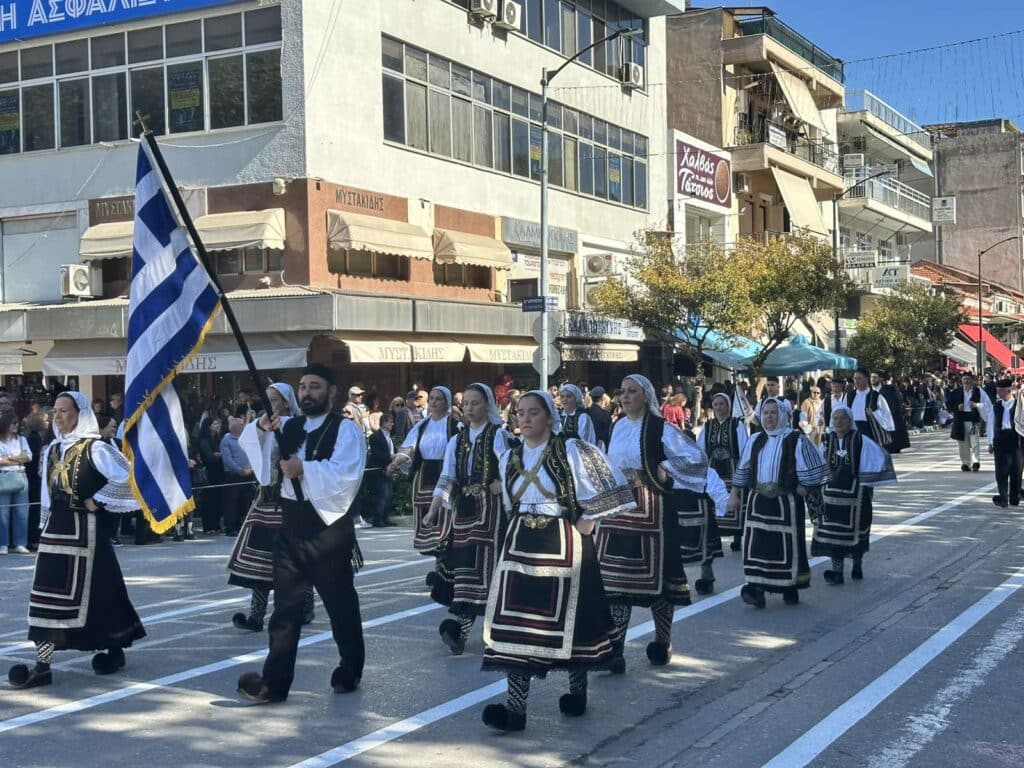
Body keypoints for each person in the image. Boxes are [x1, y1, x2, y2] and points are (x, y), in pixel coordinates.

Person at [481, 390, 635, 733]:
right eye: (520, 413)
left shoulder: (570, 449)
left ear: (549, 416)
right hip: (520, 544)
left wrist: (590, 518)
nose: (525, 419)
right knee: (516, 625)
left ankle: (576, 692)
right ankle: (515, 709)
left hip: (563, 541)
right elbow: (509, 506)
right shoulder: (509, 457)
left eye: (533, 413)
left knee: (572, 621)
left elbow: (611, 487)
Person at [236, 364, 367, 704]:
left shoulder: (346, 430)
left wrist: (304, 469)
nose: (308, 392)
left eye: (315, 386)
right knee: (285, 609)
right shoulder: (289, 426)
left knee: (340, 605)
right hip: (290, 524)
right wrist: (263, 431)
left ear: (331, 392)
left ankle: (349, 669)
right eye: (304, 386)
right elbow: (262, 464)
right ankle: (274, 683)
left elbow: (347, 474)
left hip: (327, 527)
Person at [8, 392, 143, 689]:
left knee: (102, 595)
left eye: (64, 411)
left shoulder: (96, 449)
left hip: (88, 534)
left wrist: (99, 499)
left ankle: (114, 649)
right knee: (45, 597)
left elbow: (129, 481)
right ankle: (42, 665)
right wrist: (44, 526)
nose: (57, 416)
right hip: (56, 532)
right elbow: (47, 493)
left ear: (79, 414)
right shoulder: (53, 448)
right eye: (55, 411)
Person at [600, 374, 712, 672]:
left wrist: (666, 471)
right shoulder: (617, 426)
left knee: (661, 582)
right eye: (622, 392)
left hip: (653, 511)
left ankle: (662, 641)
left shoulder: (660, 427)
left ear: (646, 396)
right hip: (619, 510)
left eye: (632, 391)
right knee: (615, 582)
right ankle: (616, 649)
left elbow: (694, 458)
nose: (625, 397)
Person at [426, 383, 512, 655]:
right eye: (467, 403)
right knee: (465, 570)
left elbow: (513, 467)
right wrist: (434, 508)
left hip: (491, 511)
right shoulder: (457, 440)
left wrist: (501, 482)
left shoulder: (498, 435)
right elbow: (448, 477)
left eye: (475, 403)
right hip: (464, 511)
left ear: (488, 405)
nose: (470, 408)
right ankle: (463, 631)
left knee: (489, 569)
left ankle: (486, 629)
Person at [227, 383, 315, 632]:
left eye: (274, 400)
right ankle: (256, 616)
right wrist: (259, 427)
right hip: (267, 499)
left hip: (292, 500)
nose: (269, 405)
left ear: (287, 403)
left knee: (298, 558)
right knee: (261, 560)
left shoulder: (299, 425)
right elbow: (248, 443)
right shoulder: (263, 424)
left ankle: (306, 606)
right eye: (266, 400)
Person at [727, 398, 828, 608]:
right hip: (757, 501)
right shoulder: (755, 439)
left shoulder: (795, 439)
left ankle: (789, 586)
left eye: (773, 413)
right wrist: (734, 494)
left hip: (786, 503)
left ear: (782, 415)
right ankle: (755, 588)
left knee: (786, 546)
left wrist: (805, 486)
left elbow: (815, 468)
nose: (769, 417)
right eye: (765, 413)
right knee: (757, 545)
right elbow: (743, 469)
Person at [386, 386, 461, 604]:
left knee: (447, 528)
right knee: (430, 528)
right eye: (433, 399)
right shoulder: (422, 426)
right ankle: (439, 570)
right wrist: (394, 463)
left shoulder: (455, 426)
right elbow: (409, 448)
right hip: (425, 477)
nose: (435, 403)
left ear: (447, 403)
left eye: (439, 399)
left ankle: (445, 573)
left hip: (447, 477)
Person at [811, 406, 896, 585]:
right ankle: (837, 572)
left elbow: (878, 457)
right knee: (833, 536)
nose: (839, 422)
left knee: (857, 533)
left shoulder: (860, 440)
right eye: (835, 419)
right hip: (831, 498)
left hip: (855, 497)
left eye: (842, 418)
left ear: (849, 420)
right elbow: (818, 463)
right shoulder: (827, 440)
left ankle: (857, 564)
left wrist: (865, 479)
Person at [698, 392, 749, 552]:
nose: (719, 407)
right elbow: (700, 449)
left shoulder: (736, 424)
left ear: (728, 406)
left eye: (722, 404)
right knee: (714, 500)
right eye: (716, 404)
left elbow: (743, 446)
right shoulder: (707, 426)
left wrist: (742, 468)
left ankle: (737, 537)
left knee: (734, 499)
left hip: (732, 466)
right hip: (713, 467)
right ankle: (716, 537)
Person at [946, 371, 990, 472]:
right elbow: (948, 405)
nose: (966, 381)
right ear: (961, 381)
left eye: (968, 379)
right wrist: (957, 407)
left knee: (974, 442)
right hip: (960, 419)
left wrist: (976, 405)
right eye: (964, 379)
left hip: (973, 419)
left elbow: (986, 404)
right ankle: (965, 463)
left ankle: (975, 462)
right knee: (962, 442)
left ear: (972, 381)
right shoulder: (956, 392)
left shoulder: (978, 391)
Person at [0, 413, 32, 554]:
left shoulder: (22, 439)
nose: (16, 426)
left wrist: (10, 458)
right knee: (2, 512)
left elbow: (28, 457)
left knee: (22, 511)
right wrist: (18, 458)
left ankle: (20, 543)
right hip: (3, 476)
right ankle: (3, 544)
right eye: (13, 423)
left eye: (16, 423)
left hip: (20, 475)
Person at [988, 378, 1022, 507]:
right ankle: (1003, 497)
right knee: (1001, 470)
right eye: (997, 391)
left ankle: (1015, 495)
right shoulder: (996, 406)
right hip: (1000, 439)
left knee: (1016, 469)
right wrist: (990, 442)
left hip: (1016, 438)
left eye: (1001, 391)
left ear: (1008, 390)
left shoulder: (1020, 405)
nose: (998, 394)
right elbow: (990, 424)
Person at [221, 417, 255, 536]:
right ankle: (230, 527)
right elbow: (228, 459)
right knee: (232, 502)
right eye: (241, 424)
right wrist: (240, 470)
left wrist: (250, 468)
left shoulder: (247, 439)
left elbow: (252, 453)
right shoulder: (226, 440)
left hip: (248, 475)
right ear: (234, 427)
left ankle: (244, 525)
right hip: (233, 476)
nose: (244, 426)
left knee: (247, 501)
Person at [848, 369, 895, 449]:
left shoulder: (875, 396)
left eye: (859, 378)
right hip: (853, 430)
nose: (856, 381)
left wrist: (874, 413)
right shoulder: (849, 395)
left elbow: (886, 414)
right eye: (855, 379)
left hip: (870, 430)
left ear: (866, 379)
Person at [23, 410, 49, 551]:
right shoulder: (33, 439)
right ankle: (33, 538)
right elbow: (33, 461)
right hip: (33, 478)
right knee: (34, 509)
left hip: (37, 479)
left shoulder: (41, 437)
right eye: (45, 420)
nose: (48, 422)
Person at [366, 412, 398, 527]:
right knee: (382, 494)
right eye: (390, 422)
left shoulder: (389, 437)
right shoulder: (375, 437)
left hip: (388, 469)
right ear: (384, 423)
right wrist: (390, 457)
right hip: (378, 469)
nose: (392, 424)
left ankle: (385, 517)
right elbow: (376, 454)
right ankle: (378, 519)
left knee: (388, 494)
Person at [196, 418, 225, 534]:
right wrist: (221, 455)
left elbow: (217, 453)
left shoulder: (218, 439)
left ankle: (216, 524)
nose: (218, 425)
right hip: (209, 472)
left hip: (219, 472)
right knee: (209, 500)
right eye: (215, 423)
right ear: (208, 426)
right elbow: (210, 456)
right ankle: (208, 526)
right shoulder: (204, 440)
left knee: (218, 499)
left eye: (218, 423)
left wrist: (218, 454)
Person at [871, 370, 911, 454]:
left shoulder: (888, 390)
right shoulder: (870, 391)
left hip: (890, 417)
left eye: (875, 377)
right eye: (871, 377)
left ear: (880, 379)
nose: (872, 379)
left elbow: (893, 405)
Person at [586, 386, 612, 451]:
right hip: (600, 448)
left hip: (587, 447)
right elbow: (607, 434)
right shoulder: (605, 414)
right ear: (602, 398)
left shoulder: (585, 412)